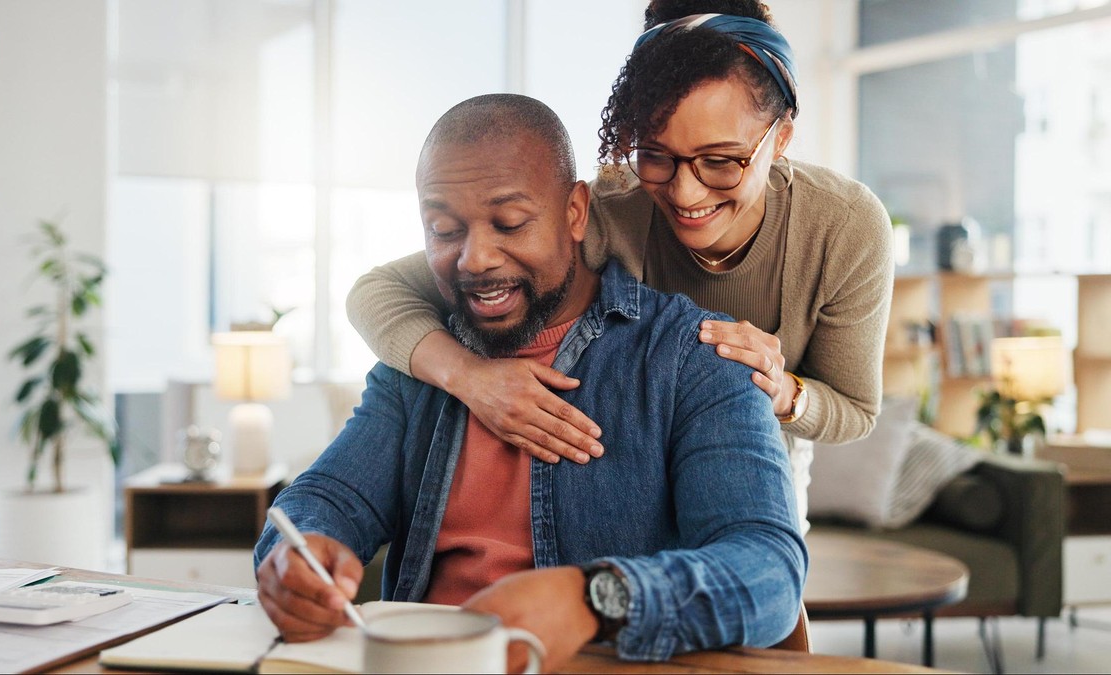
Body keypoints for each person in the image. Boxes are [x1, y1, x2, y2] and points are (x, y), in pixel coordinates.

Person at [254, 93, 805, 671]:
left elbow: (767, 571)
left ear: (575, 212)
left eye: (510, 223)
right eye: (443, 229)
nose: (474, 259)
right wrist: (298, 555)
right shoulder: (417, 367)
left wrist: (595, 598)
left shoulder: (693, 357)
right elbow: (329, 499)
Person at [344, 0, 894, 532]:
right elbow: (380, 292)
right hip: (629, 466)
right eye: (656, 155)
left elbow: (856, 410)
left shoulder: (845, 227)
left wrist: (785, 392)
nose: (684, 192)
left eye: (721, 162)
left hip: (758, 464)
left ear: (781, 139)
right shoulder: (610, 209)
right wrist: (471, 379)